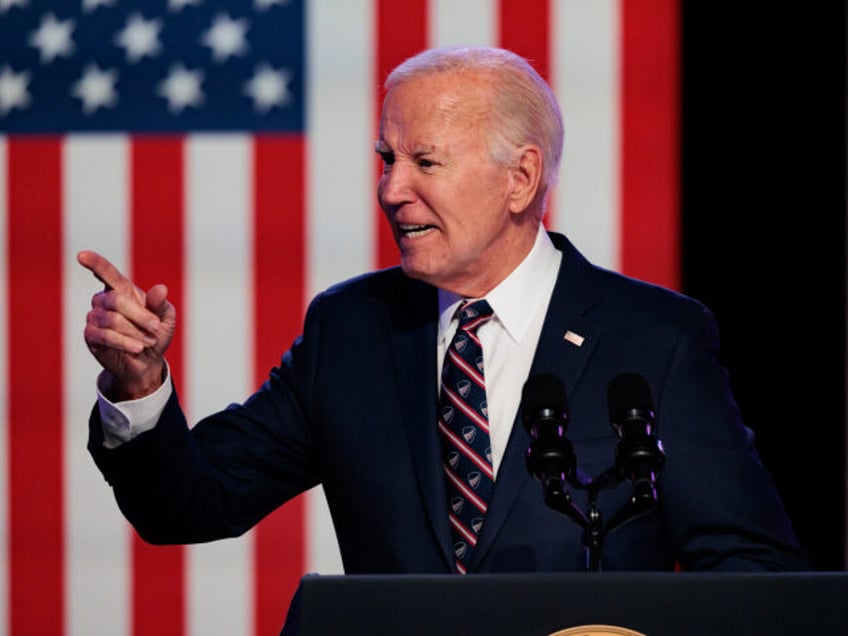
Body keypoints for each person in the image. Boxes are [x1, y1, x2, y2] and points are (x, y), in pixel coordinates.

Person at [79, 46, 807, 630]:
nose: (391, 189)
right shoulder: (351, 332)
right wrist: (138, 386)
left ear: (519, 180)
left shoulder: (658, 338)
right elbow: (190, 504)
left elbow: (752, 569)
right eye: (385, 160)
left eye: (424, 162)